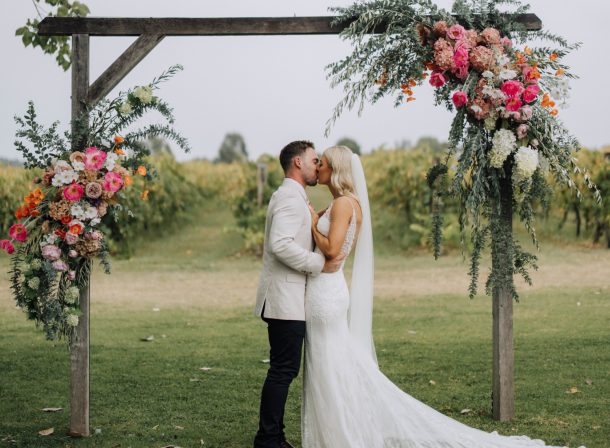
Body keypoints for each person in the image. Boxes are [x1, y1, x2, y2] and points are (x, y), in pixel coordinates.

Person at [301, 145, 583, 448]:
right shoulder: (345, 203)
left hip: (326, 291)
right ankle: (338, 429)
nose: (318, 168)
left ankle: (340, 434)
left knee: (329, 365)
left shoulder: (343, 203)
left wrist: (313, 222)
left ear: (337, 169)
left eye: (324, 164)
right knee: (333, 363)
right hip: (330, 291)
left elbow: (330, 251)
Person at [253, 140, 344, 448]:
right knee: (283, 370)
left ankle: (273, 436)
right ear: (297, 163)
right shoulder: (290, 198)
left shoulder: (293, 196)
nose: (316, 165)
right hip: (284, 299)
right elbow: (280, 244)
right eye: (313, 160)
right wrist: (317, 263)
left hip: (287, 298)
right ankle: (268, 439)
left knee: (283, 369)